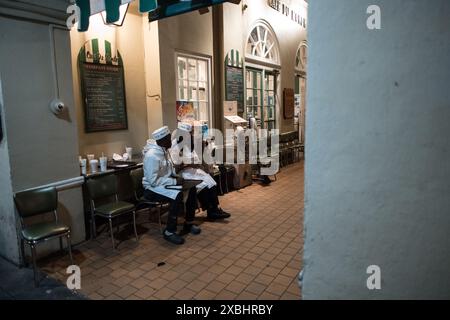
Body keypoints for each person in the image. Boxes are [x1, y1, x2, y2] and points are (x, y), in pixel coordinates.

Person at [142, 126, 201, 245]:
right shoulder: (152, 156)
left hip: (162, 184)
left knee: (192, 189)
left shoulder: (164, 151)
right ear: (161, 141)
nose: (171, 141)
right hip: (151, 189)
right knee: (177, 195)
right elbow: (152, 181)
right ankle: (169, 231)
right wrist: (174, 182)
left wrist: (177, 177)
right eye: (169, 139)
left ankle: (189, 223)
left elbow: (168, 170)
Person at [170, 122, 231, 221]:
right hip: (183, 173)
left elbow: (195, 158)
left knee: (211, 182)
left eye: (190, 133)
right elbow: (175, 165)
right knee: (203, 185)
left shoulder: (189, 143)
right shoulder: (175, 145)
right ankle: (211, 211)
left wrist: (195, 163)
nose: (190, 135)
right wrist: (189, 164)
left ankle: (215, 209)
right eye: (188, 133)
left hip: (193, 170)